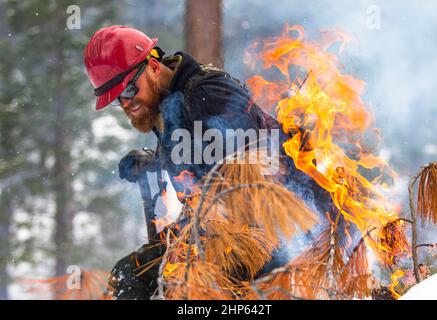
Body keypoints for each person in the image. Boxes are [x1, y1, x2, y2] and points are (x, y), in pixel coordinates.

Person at [84, 25, 333, 299]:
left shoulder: (208, 95)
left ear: (154, 67)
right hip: (217, 234)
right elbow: (201, 162)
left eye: (129, 89)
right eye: (116, 99)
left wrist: (184, 246)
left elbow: (253, 182)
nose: (126, 102)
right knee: (130, 275)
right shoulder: (164, 104)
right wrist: (154, 161)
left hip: (277, 242)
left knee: (167, 284)